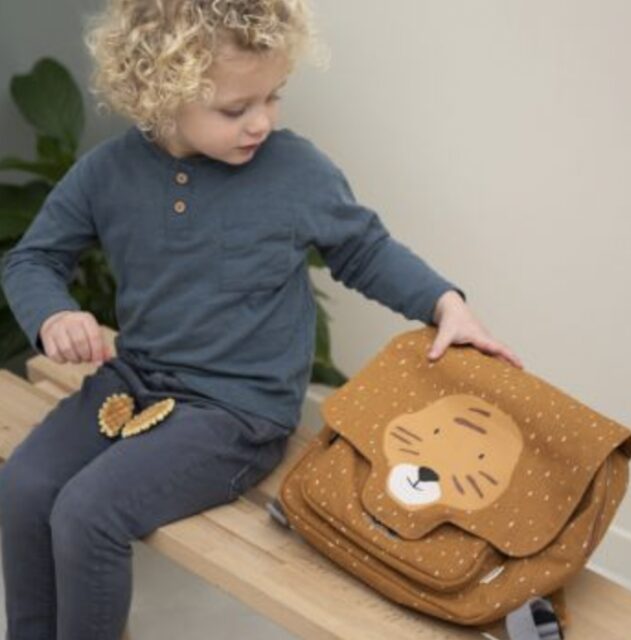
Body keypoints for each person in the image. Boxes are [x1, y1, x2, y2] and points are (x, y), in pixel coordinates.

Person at [0, 1, 524, 638]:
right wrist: (53, 313)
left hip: (237, 415)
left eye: (273, 97)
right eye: (235, 109)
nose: (262, 122)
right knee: (24, 485)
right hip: (133, 380)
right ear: (160, 93)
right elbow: (33, 259)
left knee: (88, 513)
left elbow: (364, 250)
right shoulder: (106, 174)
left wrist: (446, 304)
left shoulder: (296, 171)